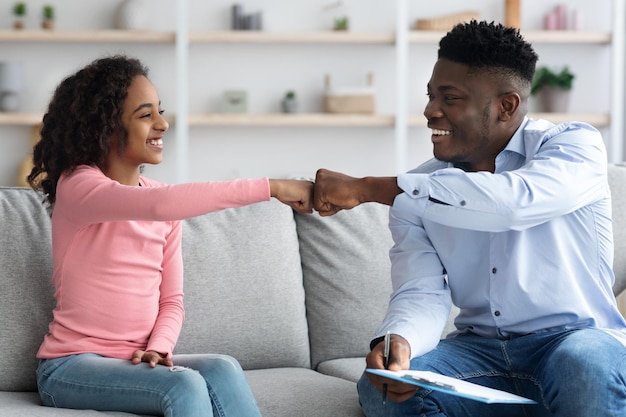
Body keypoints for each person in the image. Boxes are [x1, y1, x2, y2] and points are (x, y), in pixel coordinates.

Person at [313, 20, 626, 417]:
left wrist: (366, 187)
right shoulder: (419, 186)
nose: (430, 111)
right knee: (384, 390)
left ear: (505, 106)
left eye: (450, 98)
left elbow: (512, 205)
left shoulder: (574, 146)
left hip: (576, 340)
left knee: (584, 365)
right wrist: (400, 341)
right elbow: (420, 289)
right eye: (430, 95)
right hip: (480, 352)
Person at [27, 55, 313, 417]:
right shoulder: (79, 187)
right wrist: (271, 187)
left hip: (133, 361)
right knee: (185, 383)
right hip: (71, 367)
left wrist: (160, 348)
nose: (162, 124)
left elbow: (171, 301)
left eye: (159, 112)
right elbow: (159, 205)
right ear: (107, 124)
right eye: (146, 115)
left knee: (223, 367)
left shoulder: (161, 204)